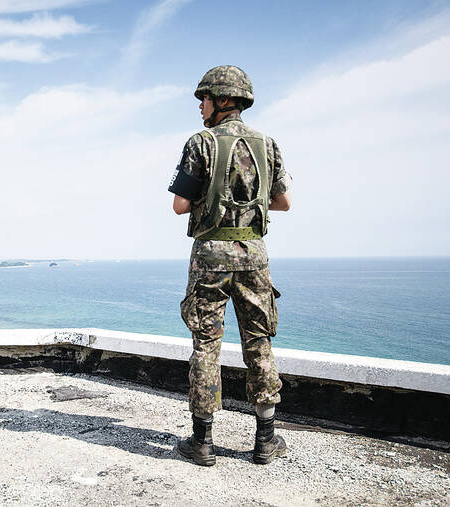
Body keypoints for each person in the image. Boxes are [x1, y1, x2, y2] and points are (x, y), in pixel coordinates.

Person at [167, 65, 292, 466]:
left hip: (211, 257)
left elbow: (180, 205)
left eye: (204, 99)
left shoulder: (200, 143)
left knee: (207, 343)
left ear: (222, 100)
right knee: (259, 341)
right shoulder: (267, 144)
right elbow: (283, 202)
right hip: (254, 255)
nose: (200, 106)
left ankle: (202, 442)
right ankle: (266, 439)